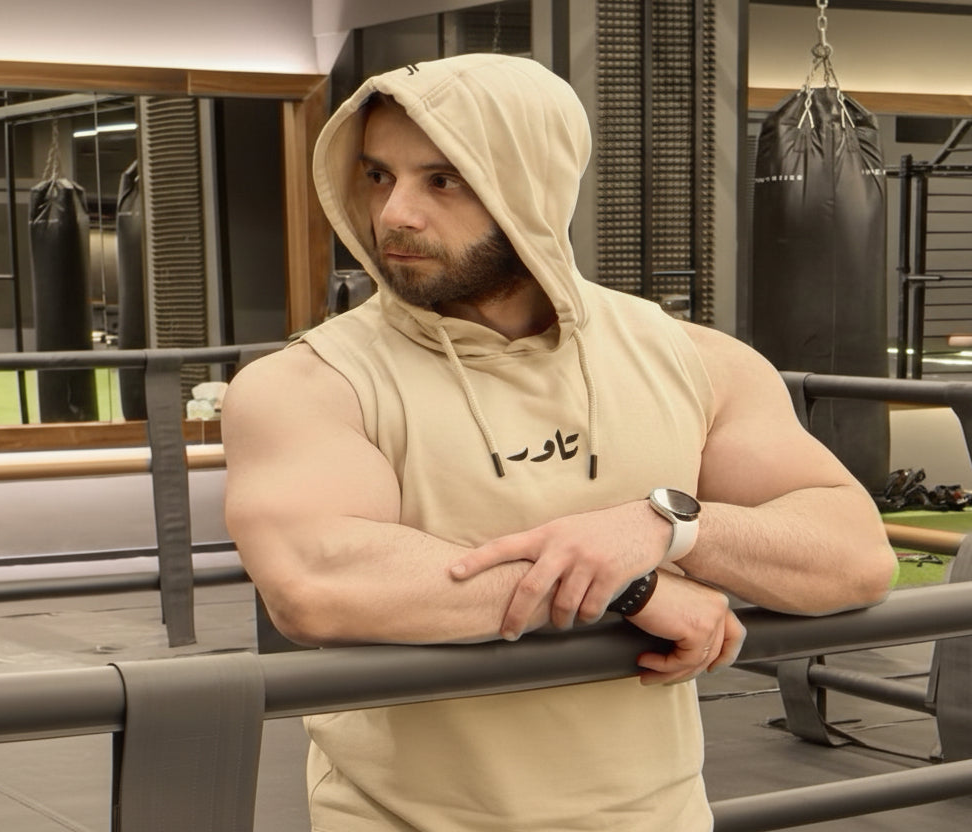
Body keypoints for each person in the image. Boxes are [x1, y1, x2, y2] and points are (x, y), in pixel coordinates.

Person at [222, 53, 897, 832]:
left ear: (533, 185)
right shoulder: (309, 384)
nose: (394, 214)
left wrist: (667, 526)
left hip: (659, 816)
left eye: (442, 180)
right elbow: (319, 583)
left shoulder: (695, 360)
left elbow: (855, 555)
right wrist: (627, 587)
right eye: (378, 176)